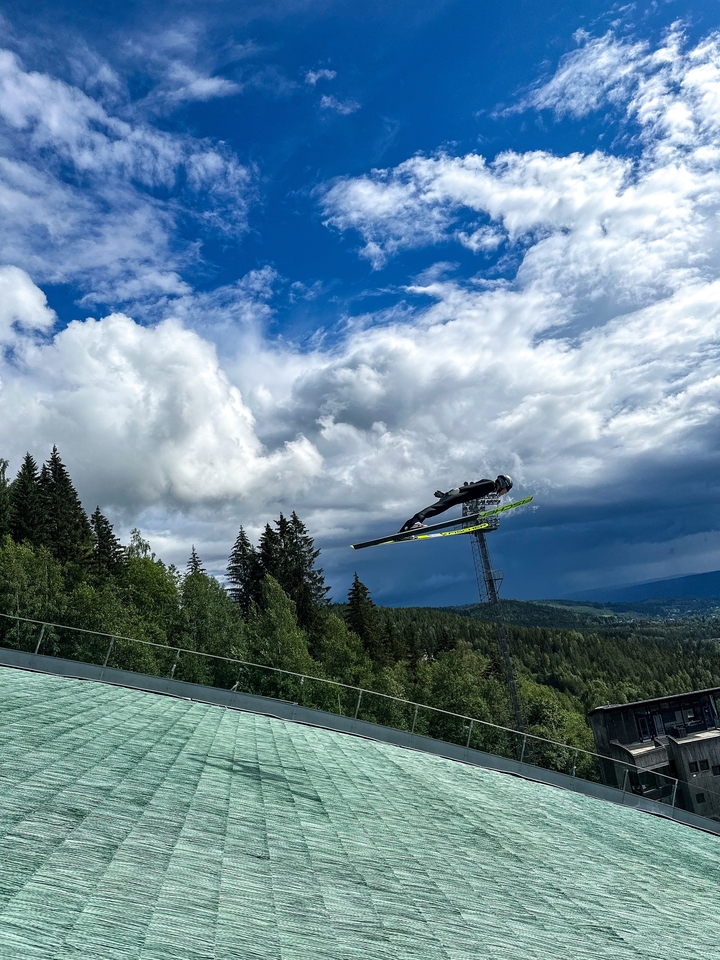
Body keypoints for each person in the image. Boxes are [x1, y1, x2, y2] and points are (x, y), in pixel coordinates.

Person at [399, 475, 513, 532]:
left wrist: (444, 495)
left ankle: (405, 529)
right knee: (433, 510)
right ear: (504, 484)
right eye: (506, 490)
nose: (504, 493)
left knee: (434, 511)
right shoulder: (490, 484)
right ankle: (413, 523)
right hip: (455, 496)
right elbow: (472, 487)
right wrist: (459, 490)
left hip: (454, 498)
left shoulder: (490, 488)